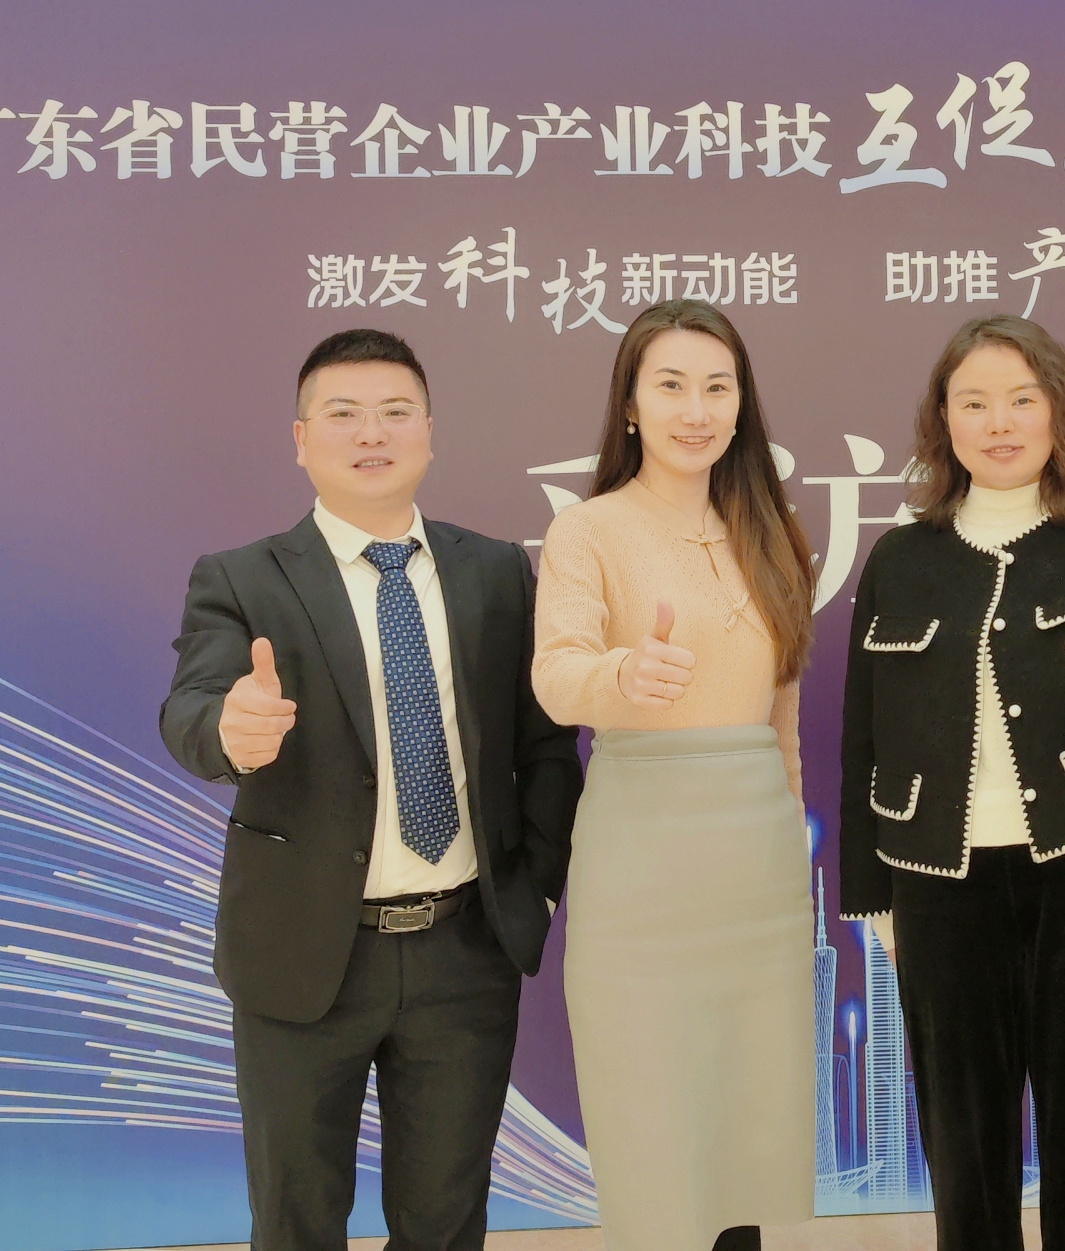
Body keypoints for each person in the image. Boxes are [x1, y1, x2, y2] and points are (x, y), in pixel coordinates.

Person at [159, 328, 582, 1251]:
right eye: (343, 413)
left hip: (464, 951)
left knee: (445, 1224)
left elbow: (547, 745)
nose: (371, 433)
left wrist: (536, 887)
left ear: (429, 431)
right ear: (300, 438)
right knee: (297, 1222)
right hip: (302, 951)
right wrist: (231, 729)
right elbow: (190, 707)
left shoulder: (497, 570)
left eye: (395, 412)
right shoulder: (242, 578)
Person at [838, 315, 1065, 1251]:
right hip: (940, 885)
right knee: (965, 1144)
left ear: (1059, 411)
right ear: (942, 421)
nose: (1000, 422)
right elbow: (863, 733)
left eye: (1023, 399)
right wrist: (873, 900)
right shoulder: (900, 559)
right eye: (975, 402)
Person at [531, 300, 817, 1251]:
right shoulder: (588, 531)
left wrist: (791, 835)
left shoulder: (773, 532)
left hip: (758, 873)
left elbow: (783, 721)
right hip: (641, 863)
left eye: (717, 388)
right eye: (671, 386)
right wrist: (624, 676)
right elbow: (556, 675)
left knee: (744, 1134)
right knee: (652, 1126)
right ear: (630, 405)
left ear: (741, 405)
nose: (696, 410)